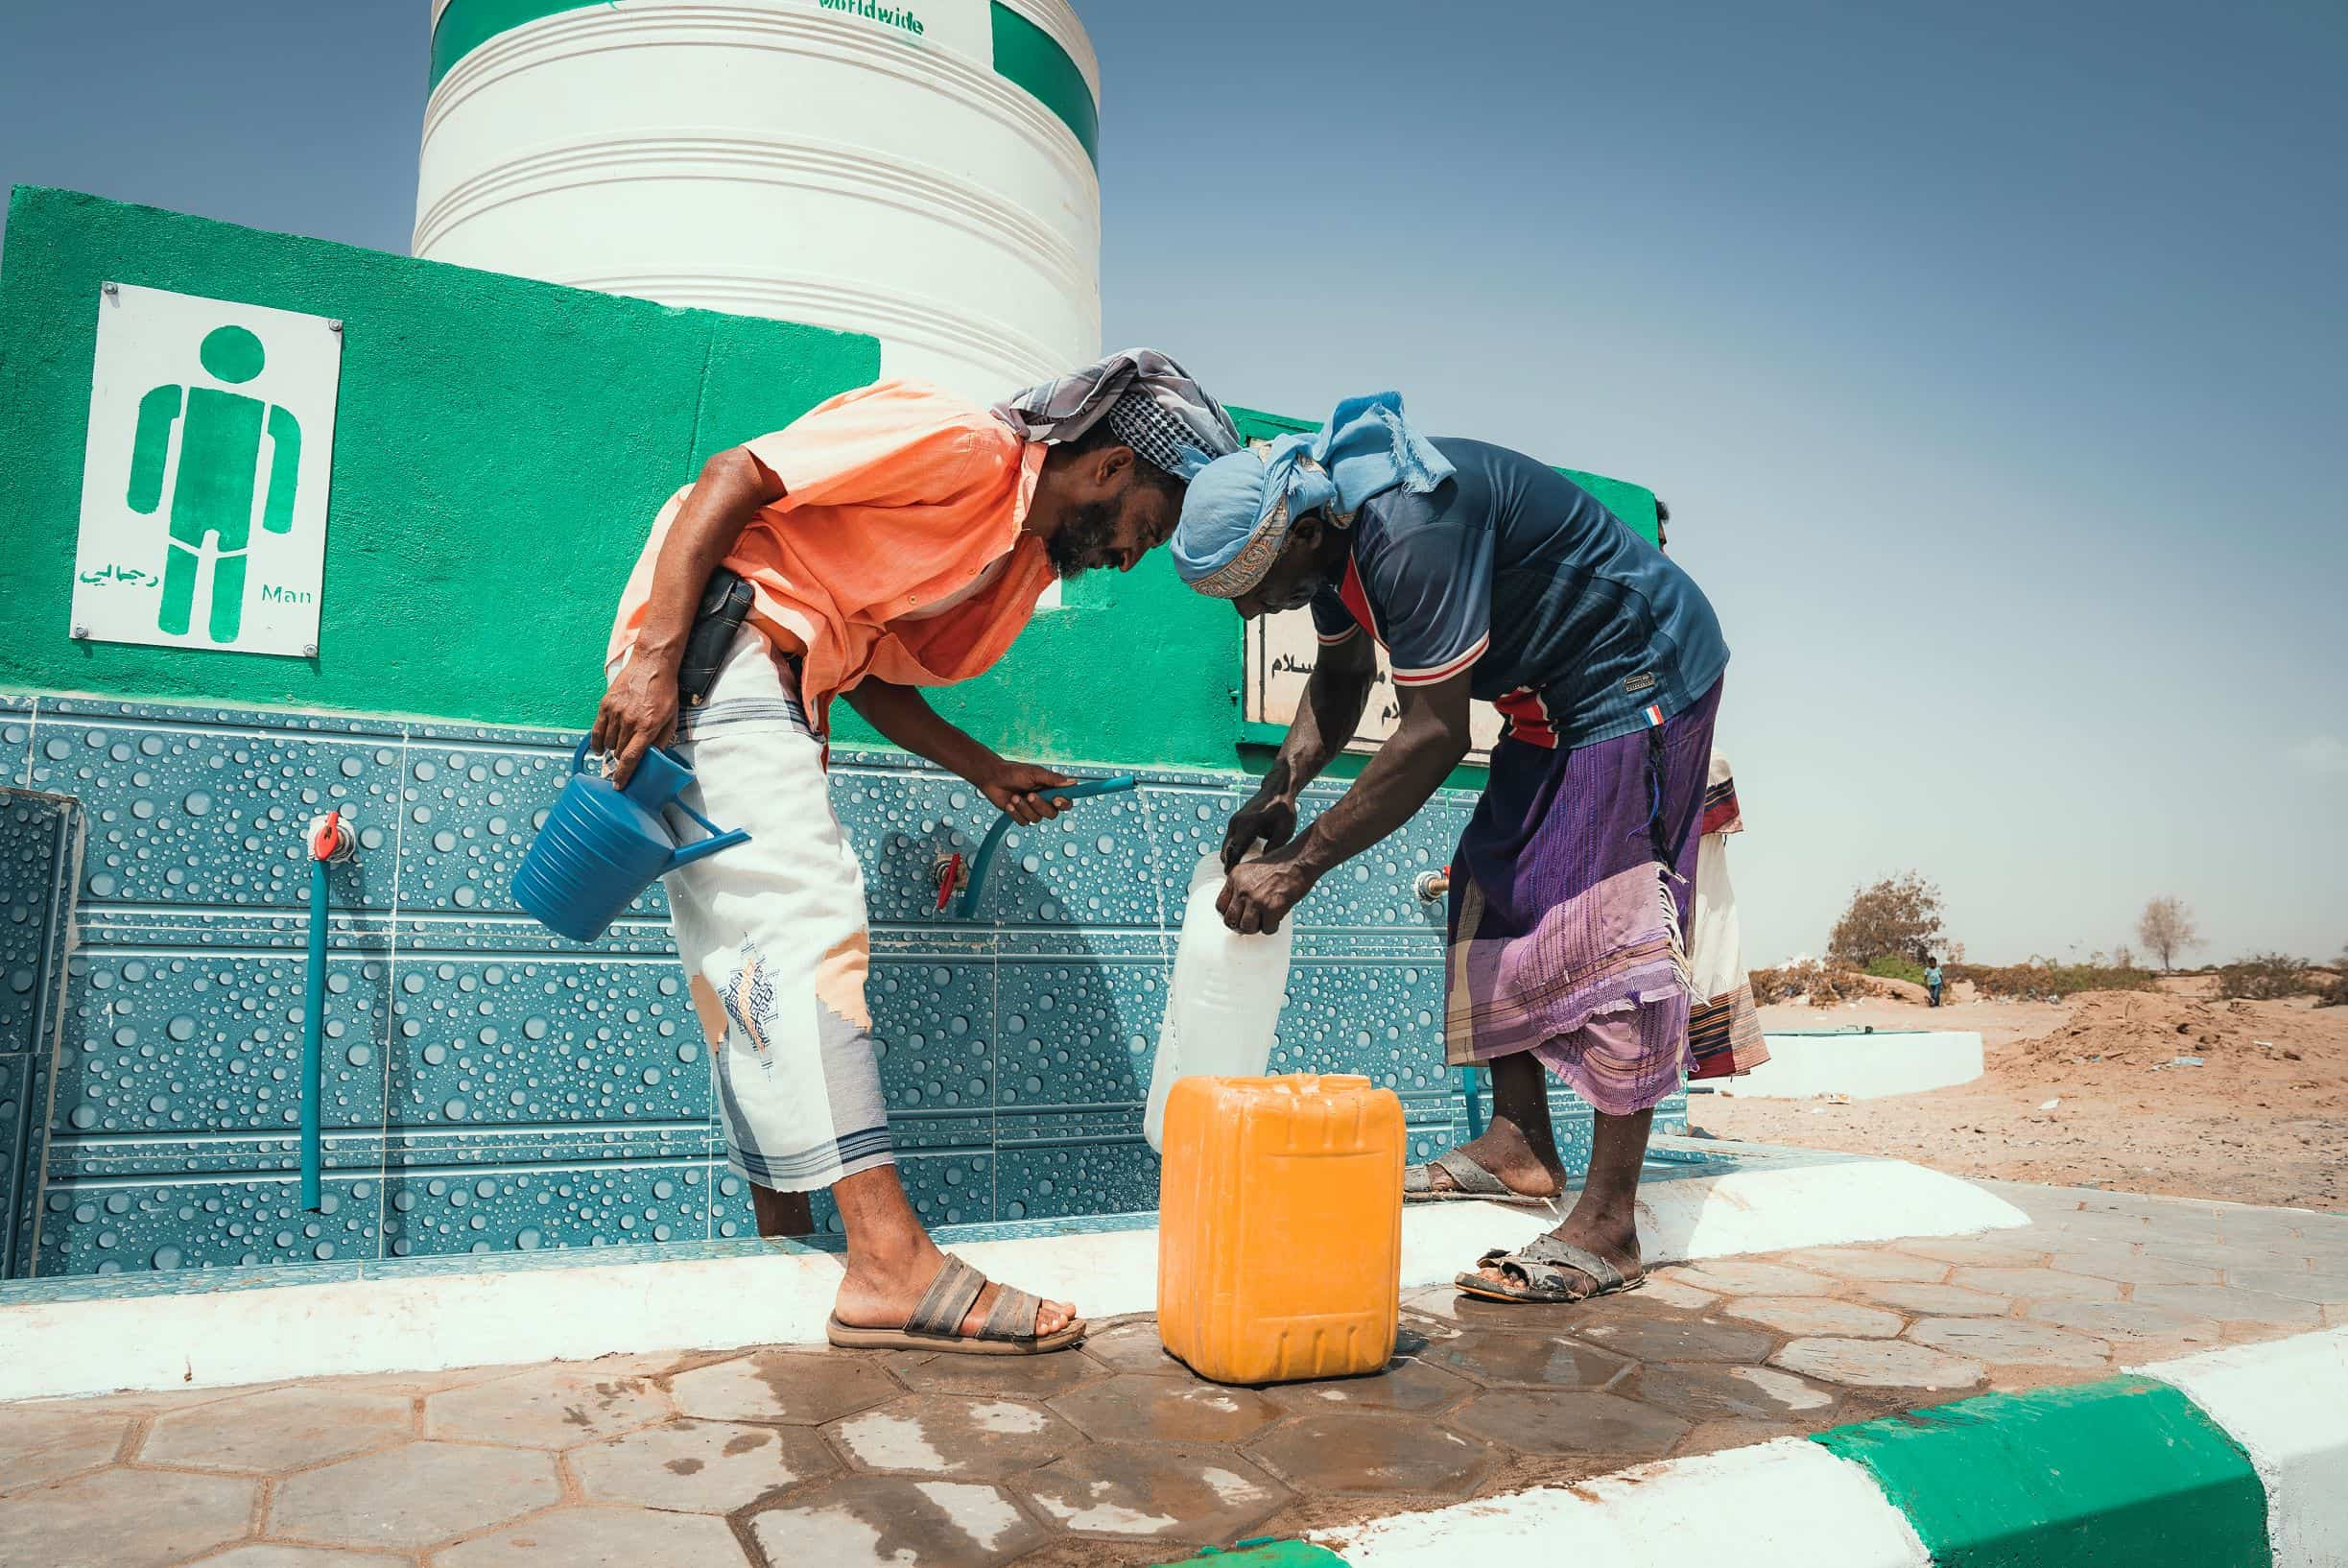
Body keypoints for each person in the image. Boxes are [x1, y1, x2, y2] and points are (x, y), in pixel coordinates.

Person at [593, 350, 1239, 1353]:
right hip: (719, 654)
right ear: (1109, 467)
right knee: (808, 926)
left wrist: (981, 766)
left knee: (749, 969)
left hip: (768, 677)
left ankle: (791, 1236)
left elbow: (863, 670)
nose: (1131, 557)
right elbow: (732, 475)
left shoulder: (1004, 549)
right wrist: (650, 662)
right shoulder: (961, 444)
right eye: (1145, 529)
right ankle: (888, 1262)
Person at [1170, 392, 1728, 1306]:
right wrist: (1279, 792)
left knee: (1613, 918)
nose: (1247, 614)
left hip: (1640, 674)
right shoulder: (1336, 542)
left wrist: (1301, 864)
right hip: (1550, 696)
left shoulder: (1405, 526)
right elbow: (1344, 678)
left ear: (1302, 536)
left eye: (1249, 588)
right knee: (1484, 881)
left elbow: (1430, 734)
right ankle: (1517, 1145)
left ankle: (1611, 1222)